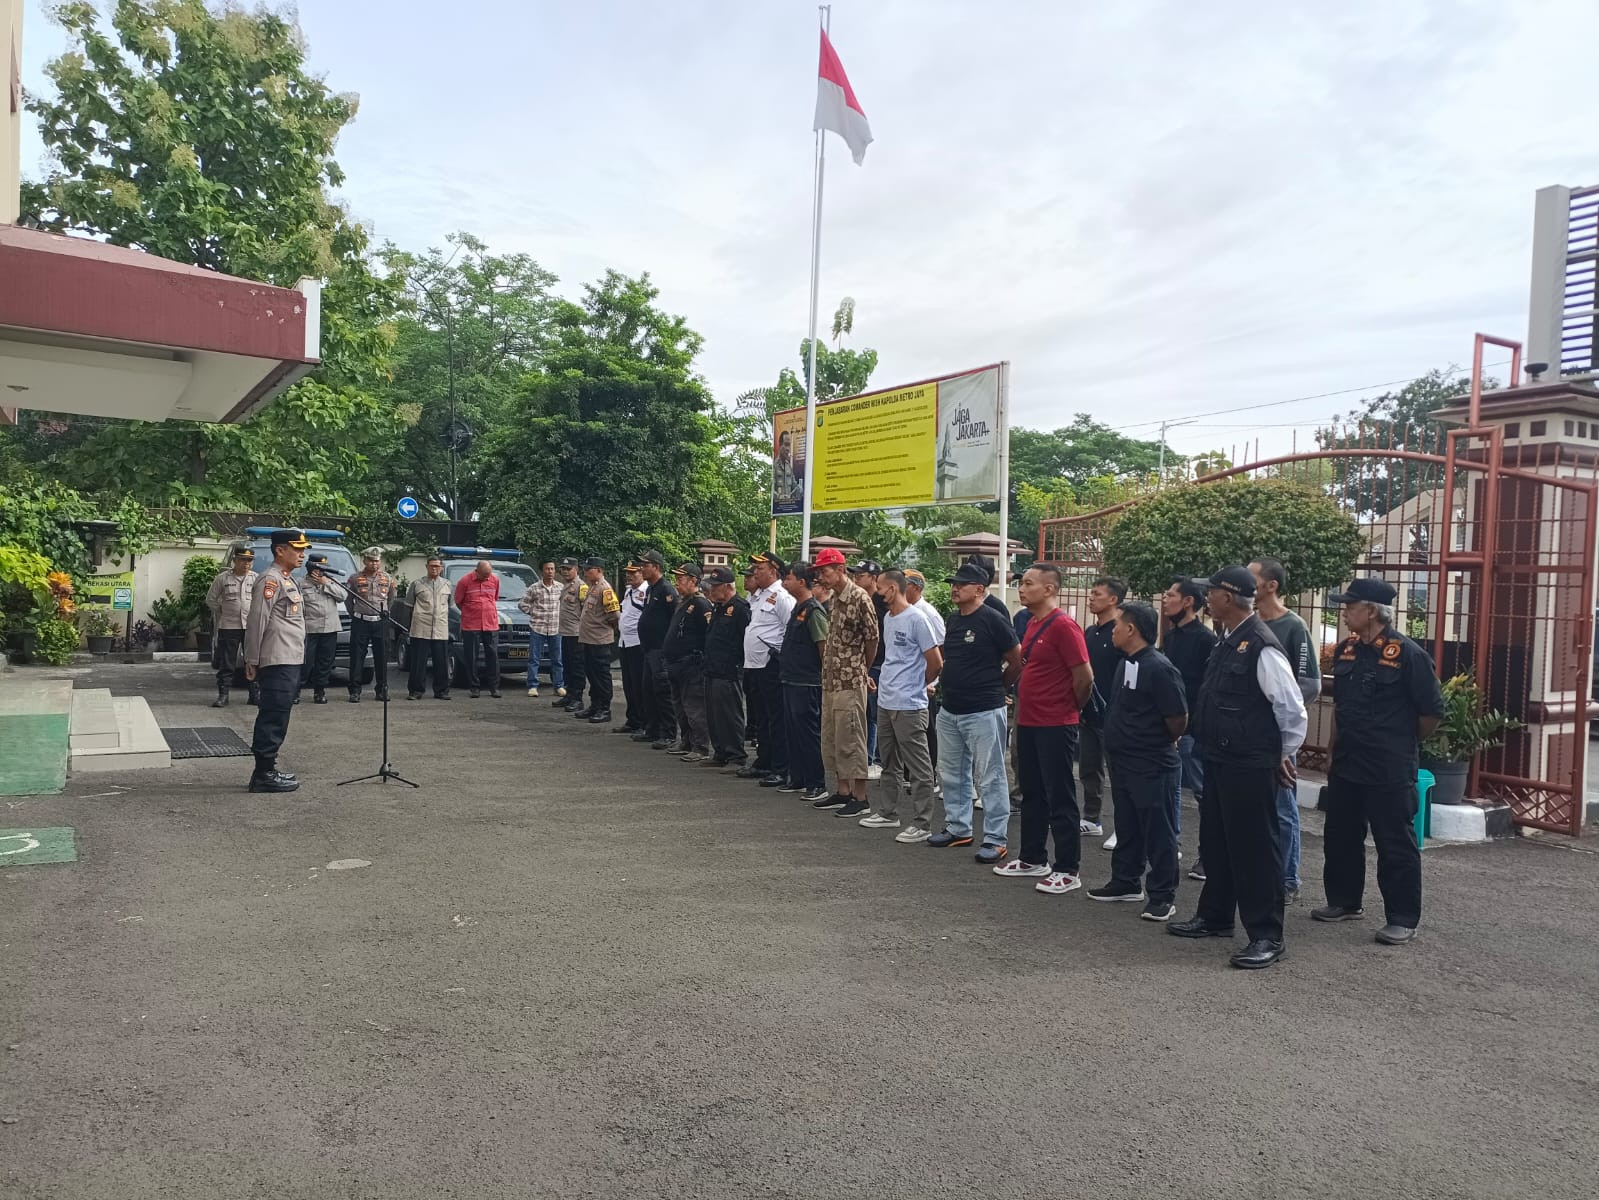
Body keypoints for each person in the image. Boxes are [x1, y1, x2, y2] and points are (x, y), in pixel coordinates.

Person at [1168, 566, 1306, 971]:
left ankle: (1267, 935)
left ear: (1228, 598)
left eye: (1211, 593)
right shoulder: (1228, 640)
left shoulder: (1262, 646)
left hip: (1249, 763)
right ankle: (1215, 916)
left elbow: (1292, 710)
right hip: (1220, 758)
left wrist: (1281, 754)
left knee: (1255, 850)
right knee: (1218, 841)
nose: (1206, 598)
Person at [1315, 577, 1444, 946]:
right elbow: (1341, 707)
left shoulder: (1408, 655)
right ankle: (1343, 900)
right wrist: (1331, 748)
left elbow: (1431, 713)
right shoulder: (1346, 651)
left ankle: (1402, 917)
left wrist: (1401, 743)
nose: (1343, 612)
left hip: (1388, 765)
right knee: (1340, 834)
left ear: (1371, 611)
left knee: (1394, 842)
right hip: (1349, 760)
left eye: (1350, 606)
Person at [993, 563, 1093, 892]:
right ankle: (1033, 856)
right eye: (1021, 583)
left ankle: (1068, 868)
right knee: (1032, 791)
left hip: (1056, 722)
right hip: (1029, 720)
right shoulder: (1033, 623)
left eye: (1029, 584)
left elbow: (1084, 677)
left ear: (1050, 589)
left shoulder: (1064, 626)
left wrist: (1069, 708)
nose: (1021, 589)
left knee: (1060, 794)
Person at [1088, 602, 1188, 921]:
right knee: (1127, 824)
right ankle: (1126, 881)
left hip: (1151, 762)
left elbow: (1177, 717)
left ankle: (1162, 895)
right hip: (1124, 760)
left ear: (1131, 629)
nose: (1112, 630)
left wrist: (1154, 740)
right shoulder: (1126, 663)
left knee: (1158, 831)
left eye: (1117, 625)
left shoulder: (1158, 667)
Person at [930, 559, 1023, 862]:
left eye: (961, 584)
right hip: (951, 708)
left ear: (980, 589)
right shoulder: (954, 619)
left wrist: (999, 687)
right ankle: (959, 827)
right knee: (952, 773)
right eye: (953, 584)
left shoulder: (993, 619)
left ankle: (996, 838)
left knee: (990, 775)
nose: (955, 589)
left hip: (983, 709)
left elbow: (1016, 657)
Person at [1250, 557, 1323, 904]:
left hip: (1279, 734)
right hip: (1247, 734)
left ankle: (1288, 878)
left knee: (1282, 806)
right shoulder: (1248, 623)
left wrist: (1279, 714)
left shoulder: (1294, 626)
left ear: (1271, 585)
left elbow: (1309, 683)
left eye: (1252, 578)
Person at [866, 569, 942, 839]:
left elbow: (935, 661)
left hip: (909, 705)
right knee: (889, 760)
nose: (878, 591)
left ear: (894, 589)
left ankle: (922, 823)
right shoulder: (889, 617)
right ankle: (888, 812)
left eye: (882, 587)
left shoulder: (917, 618)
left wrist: (918, 686)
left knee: (919, 767)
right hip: (887, 700)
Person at [809, 547, 878, 816]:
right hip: (831, 678)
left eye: (825, 571)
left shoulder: (859, 597)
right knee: (833, 737)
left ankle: (860, 797)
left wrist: (862, 668)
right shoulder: (834, 598)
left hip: (850, 679)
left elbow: (872, 639)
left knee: (853, 737)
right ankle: (843, 790)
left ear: (840, 569)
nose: (822, 577)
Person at [243, 529, 309, 793]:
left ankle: (268, 768)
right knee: (273, 715)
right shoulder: (269, 580)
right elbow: (257, 621)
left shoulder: (287, 579)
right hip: (276, 658)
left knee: (280, 715)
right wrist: (252, 658)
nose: (302, 554)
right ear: (280, 550)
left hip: (289, 657)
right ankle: (263, 774)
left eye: (304, 549)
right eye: (297, 548)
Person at [1160, 577, 1217, 876]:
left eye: (1171, 595)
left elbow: (1206, 689)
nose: (1165, 599)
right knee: (1169, 792)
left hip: (1192, 731)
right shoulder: (1169, 638)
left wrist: (1189, 727)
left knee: (1204, 794)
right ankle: (1170, 846)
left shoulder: (1206, 640)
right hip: (1169, 728)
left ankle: (1210, 856)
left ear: (1188, 602)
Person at [1079, 576, 1127, 838]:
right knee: (1089, 767)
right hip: (1089, 712)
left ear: (1113, 599)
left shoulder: (1121, 632)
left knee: (1119, 771)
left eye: (1097, 594)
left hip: (1115, 714)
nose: (1091, 597)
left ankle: (1123, 826)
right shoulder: (1090, 632)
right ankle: (1092, 818)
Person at [778, 561, 830, 801]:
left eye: (787, 578)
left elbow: (823, 648)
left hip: (807, 682)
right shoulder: (797, 608)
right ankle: (797, 778)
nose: (784, 582)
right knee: (793, 732)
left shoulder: (813, 610)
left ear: (801, 581)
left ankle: (816, 782)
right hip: (791, 679)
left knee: (808, 733)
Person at [741, 552, 794, 785]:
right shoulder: (758, 596)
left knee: (775, 718)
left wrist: (778, 655)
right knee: (760, 718)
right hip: (754, 665)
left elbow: (789, 631)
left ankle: (780, 767)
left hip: (770, 665)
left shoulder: (782, 596)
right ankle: (764, 761)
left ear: (773, 570)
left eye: (759, 568)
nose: (755, 572)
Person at [701, 566, 751, 768]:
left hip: (729, 670)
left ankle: (736, 754)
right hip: (713, 668)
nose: (711, 590)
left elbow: (745, 639)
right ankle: (720, 751)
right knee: (714, 714)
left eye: (715, 586)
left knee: (730, 714)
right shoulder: (718, 607)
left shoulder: (740, 608)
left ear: (727, 586)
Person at [664, 562, 713, 762]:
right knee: (680, 705)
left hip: (692, 664)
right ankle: (686, 740)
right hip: (676, 663)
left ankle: (700, 746)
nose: (677, 583)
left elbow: (708, 633)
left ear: (694, 580)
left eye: (681, 579)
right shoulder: (684, 601)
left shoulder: (701, 604)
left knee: (694, 706)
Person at [205, 543, 257, 708]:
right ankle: (223, 695)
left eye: (249, 560)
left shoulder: (256, 578)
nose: (246, 563)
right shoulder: (223, 578)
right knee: (227, 662)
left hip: (250, 626)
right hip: (229, 625)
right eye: (243, 560)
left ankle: (254, 694)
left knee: (253, 660)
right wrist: (223, 611)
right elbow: (211, 599)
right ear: (235, 560)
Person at [903, 569, 945, 770]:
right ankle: (909, 774)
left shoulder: (927, 613)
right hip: (908, 684)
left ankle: (930, 774)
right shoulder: (902, 611)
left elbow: (940, 651)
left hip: (925, 684)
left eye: (904, 584)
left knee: (926, 731)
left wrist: (930, 682)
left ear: (916, 588)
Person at [636, 551, 679, 747]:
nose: (642, 568)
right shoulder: (651, 589)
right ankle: (652, 729)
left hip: (660, 649)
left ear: (656, 567)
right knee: (648, 691)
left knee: (663, 692)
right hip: (648, 649)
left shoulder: (666, 590)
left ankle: (669, 733)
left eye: (646, 565)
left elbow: (674, 619)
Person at [851, 560, 888, 778]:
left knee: (874, 712)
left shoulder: (882, 602)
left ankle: (874, 759)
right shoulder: (859, 599)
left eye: (861, 575)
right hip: (865, 662)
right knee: (865, 711)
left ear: (874, 578)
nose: (857, 578)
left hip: (880, 662)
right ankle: (866, 757)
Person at [344, 547, 396, 703]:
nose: (374, 564)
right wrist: (355, 614)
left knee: (381, 658)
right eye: (371, 560)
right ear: (365, 560)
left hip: (380, 622)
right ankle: (355, 691)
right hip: (361, 622)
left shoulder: (387, 578)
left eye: (377, 561)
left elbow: (391, 598)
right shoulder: (354, 578)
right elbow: (348, 600)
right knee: (357, 658)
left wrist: (385, 612)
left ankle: (382, 690)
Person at [574, 558, 619, 722]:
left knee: (601, 676)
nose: (585, 573)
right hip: (588, 639)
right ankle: (595, 705)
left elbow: (614, 616)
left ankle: (605, 709)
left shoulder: (605, 589)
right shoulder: (592, 587)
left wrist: (605, 629)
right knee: (591, 674)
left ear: (599, 570)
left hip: (600, 640)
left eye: (589, 570)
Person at [299, 553, 347, 705]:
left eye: (323, 569)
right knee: (305, 662)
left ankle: (319, 692)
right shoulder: (301, 584)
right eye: (318, 569)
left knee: (325, 663)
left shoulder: (331, 581)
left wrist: (326, 583)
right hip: (310, 629)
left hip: (329, 629)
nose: (320, 572)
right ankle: (296, 691)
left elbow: (343, 596)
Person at [405, 555, 452, 701]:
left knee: (441, 661)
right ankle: (415, 691)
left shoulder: (448, 585)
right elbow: (409, 606)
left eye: (437, 566)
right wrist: (408, 627)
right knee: (418, 662)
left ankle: (442, 691)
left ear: (441, 568)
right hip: (421, 627)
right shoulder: (417, 584)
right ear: (426, 567)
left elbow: (450, 605)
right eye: (431, 566)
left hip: (440, 627)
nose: (434, 568)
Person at [454, 558, 502, 699]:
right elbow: (458, 601)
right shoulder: (464, 581)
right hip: (471, 624)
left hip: (490, 623)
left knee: (492, 655)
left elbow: (495, 598)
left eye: (488, 575)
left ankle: (494, 687)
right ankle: (474, 687)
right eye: (484, 575)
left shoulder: (495, 580)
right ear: (477, 571)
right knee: (471, 656)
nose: (487, 577)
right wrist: (471, 611)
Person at [517, 560, 565, 698]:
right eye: (547, 569)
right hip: (538, 627)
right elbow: (522, 604)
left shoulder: (560, 587)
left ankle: (558, 685)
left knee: (557, 659)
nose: (550, 571)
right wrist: (533, 612)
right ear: (542, 571)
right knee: (534, 658)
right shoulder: (534, 588)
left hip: (556, 628)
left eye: (552, 569)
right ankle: (532, 685)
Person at [616, 562, 648, 734]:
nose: (629, 576)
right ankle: (632, 719)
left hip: (637, 643)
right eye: (627, 573)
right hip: (625, 642)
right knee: (628, 684)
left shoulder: (645, 591)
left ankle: (643, 721)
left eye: (633, 573)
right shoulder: (629, 590)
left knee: (638, 684)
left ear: (642, 573)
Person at [556, 557, 587, 712]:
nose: (565, 572)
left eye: (569, 569)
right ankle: (569, 694)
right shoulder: (565, 586)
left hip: (576, 633)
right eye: (563, 569)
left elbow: (585, 610)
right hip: (565, 632)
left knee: (577, 667)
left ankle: (577, 698)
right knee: (567, 666)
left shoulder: (581, 587)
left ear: (577, 569)